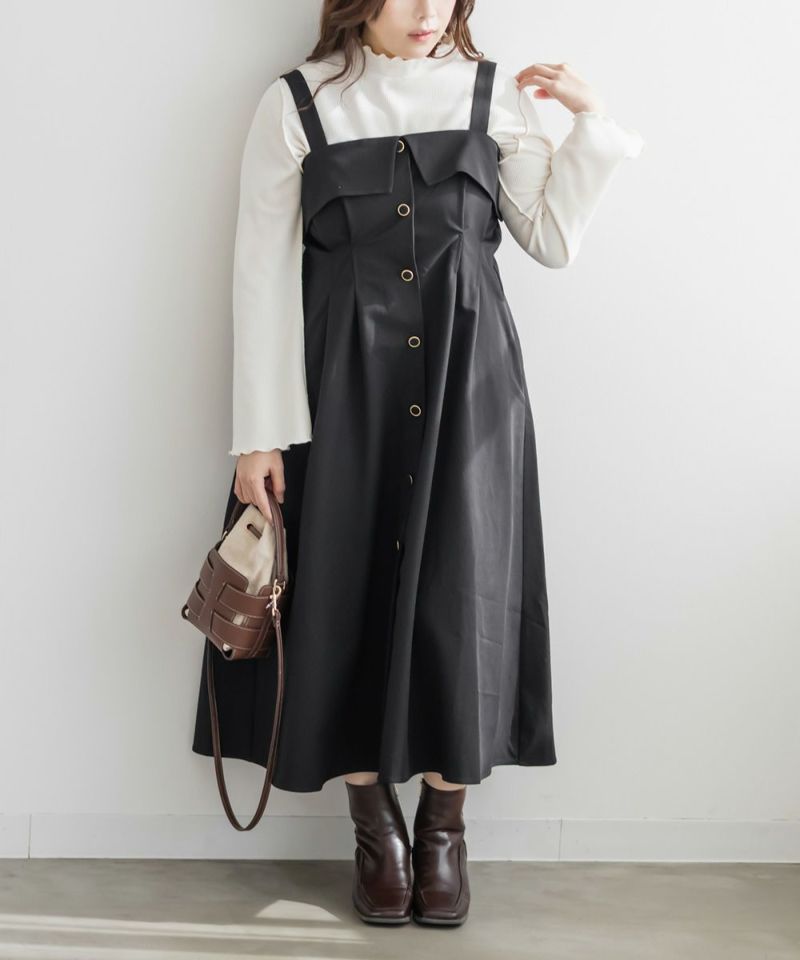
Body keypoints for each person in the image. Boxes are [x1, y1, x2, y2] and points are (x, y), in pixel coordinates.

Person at [192, 0, 643, 928]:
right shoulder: (298, 103)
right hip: (339, 391)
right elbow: (261, 272)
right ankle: (374, 826)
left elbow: (551, 240)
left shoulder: (489, 94)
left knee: (462, 595)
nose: (429, 11)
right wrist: (258, 435)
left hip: (469, 389)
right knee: (343, 591)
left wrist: (591, 123)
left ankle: (444, 826)